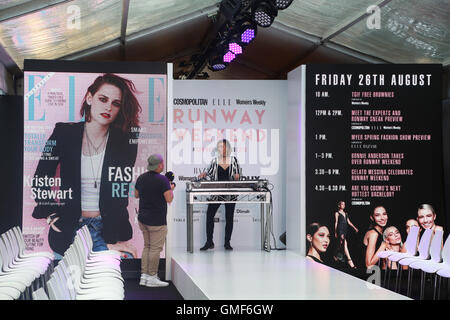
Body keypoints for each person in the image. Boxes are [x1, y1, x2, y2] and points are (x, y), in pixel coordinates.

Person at [32, 73, 141, 259]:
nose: (108, 107)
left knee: (108, 286)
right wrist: (50, 214)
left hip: (108, 230)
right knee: (68, 286)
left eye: (116, 103)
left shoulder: (125, 140)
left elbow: (120, 187)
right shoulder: (64, 133)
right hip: (68, 227)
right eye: (103, 99)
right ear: (90, 98)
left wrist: (116, 233)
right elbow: (41, 177)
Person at [135, 154, 175, 287]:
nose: (163, 165)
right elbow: (169, 199)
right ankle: (152, 277)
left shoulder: (141, 178)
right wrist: (170, 188)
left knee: (147, 247)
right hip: (157, 221)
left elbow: (136, 195)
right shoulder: (163, 180)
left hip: (143, 219)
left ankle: (144, 276)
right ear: (159, 165)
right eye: (162, 163)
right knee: (155, 249)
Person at [198, 139, 241, 251]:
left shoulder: (234, 160)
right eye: (220, 147)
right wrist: (204, 174)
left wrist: (237, 176)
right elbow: (210, 175)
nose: (222, 149)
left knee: (229, 218)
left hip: (230, 193)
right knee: (209, 216)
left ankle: (227, 243)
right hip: (216, 193)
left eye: (224, 146)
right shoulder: (214, 161)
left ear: (228, 148)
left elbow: (238, 175)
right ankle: (209, 242)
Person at [333, 201, 359, 268]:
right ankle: (350, 261)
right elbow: (336, 222)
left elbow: (349, 222)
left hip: (345, 230)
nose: (343, 205)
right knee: (345, 244)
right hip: (340, 230)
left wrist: (355, 228)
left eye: (344, 204)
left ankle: (335, 255)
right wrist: (335, 232)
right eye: (342, 204)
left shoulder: (346, 213)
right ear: (339, 205)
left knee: (341, 244)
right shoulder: (337, 213)